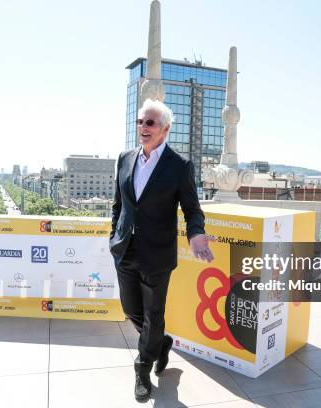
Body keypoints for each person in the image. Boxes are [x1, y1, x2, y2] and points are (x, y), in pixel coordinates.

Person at [109, 98, 214, 402]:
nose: (143, 127)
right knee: (131, 310)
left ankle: (142, 369)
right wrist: (113, 235)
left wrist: (196, 234)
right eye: (141, 121)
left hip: (157, 254)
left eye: (150, 123)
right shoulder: (125, 158)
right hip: (125, 249)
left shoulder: (179, 166)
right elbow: (119, 205)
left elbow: (193, 210)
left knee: (154, 314)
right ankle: (162, 343)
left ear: (165, 129)